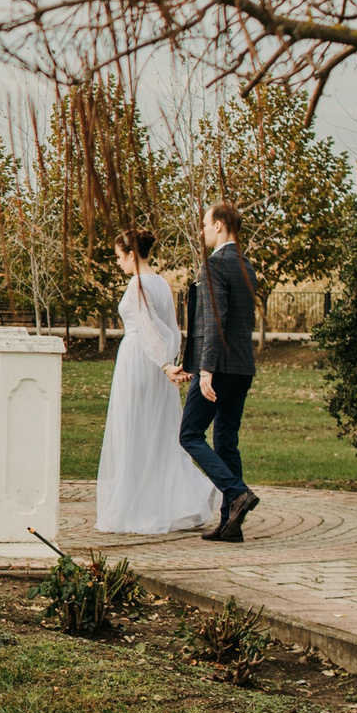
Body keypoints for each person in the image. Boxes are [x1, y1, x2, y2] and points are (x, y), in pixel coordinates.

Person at [94, 227, 220, 534]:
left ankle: (140, 505)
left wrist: (165, 364)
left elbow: (149, 327)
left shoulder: (137, 284)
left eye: (119, 257)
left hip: (140, 360)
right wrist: (170, 360)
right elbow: (172, 329)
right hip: (157, 361)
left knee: (135, 428)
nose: (118, 263)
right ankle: (172, 499)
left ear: (131, 254)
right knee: (158, 430)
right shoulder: (161, 283)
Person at [171, 202, 259, 542]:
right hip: (241, 367)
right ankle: (230, 525)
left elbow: (215, 321)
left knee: (189, 434)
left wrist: (205, 370)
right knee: (225, 440)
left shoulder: (214, 265)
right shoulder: (246, 266)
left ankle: (237, 493)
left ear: (220, 225)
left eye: (206, 224)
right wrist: (193, 361)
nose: (203, 230)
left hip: (219, 368)